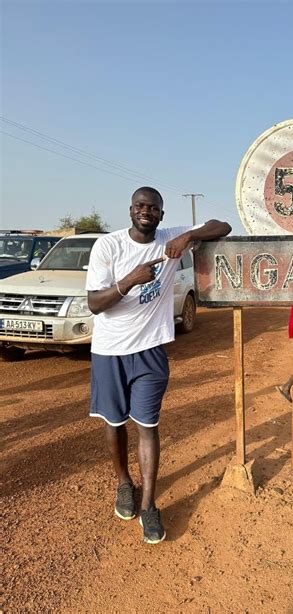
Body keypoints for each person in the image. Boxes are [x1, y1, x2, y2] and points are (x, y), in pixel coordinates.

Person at [86, 186, 231, 544]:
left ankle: (149, 504)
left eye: (153, 207)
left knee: (148, 426)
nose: (146, 211)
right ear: (131, 210)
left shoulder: (169, 238)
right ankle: (124, 483)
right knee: (114, 423)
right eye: (140, 206)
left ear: (162, 215)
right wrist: (128, 281)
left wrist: (189, 235)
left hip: (150, 352)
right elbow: (93, 304)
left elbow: (223, 225)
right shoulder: (109, 246)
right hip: (109, 351)